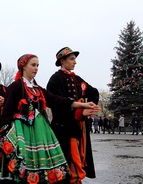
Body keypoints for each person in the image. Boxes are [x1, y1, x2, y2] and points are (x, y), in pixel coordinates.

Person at [0, 54, 100, 184]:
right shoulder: (15, 87)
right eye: (33, 65)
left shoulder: (38, 89)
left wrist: (82, 105)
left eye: (37, 65)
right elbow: (6, 114)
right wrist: (8, 138)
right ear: (23, 66)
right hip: (22, 131)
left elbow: (57, 100)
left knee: (40, 163)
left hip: (40, 131)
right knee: (23, 164)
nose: (36, 68)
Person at [46, 47, 100, 183]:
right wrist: (80, 110)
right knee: (68, 162)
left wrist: (90, 107)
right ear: (62, 61)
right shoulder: (55, 79)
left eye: (75, 59)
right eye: (71, 59)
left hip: (79, 127)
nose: (75, 62)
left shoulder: (76, 79)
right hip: (64, 128)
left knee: (80, 159)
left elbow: (94, 92)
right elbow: (56, 103)